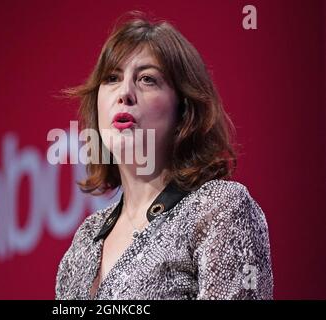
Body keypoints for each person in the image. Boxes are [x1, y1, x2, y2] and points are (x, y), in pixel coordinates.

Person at [55, 12, 273, 300]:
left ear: (184, 109)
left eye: (147, 79)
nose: (125, 92)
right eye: (112, 78)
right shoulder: (85, 239)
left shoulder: (218, 209)